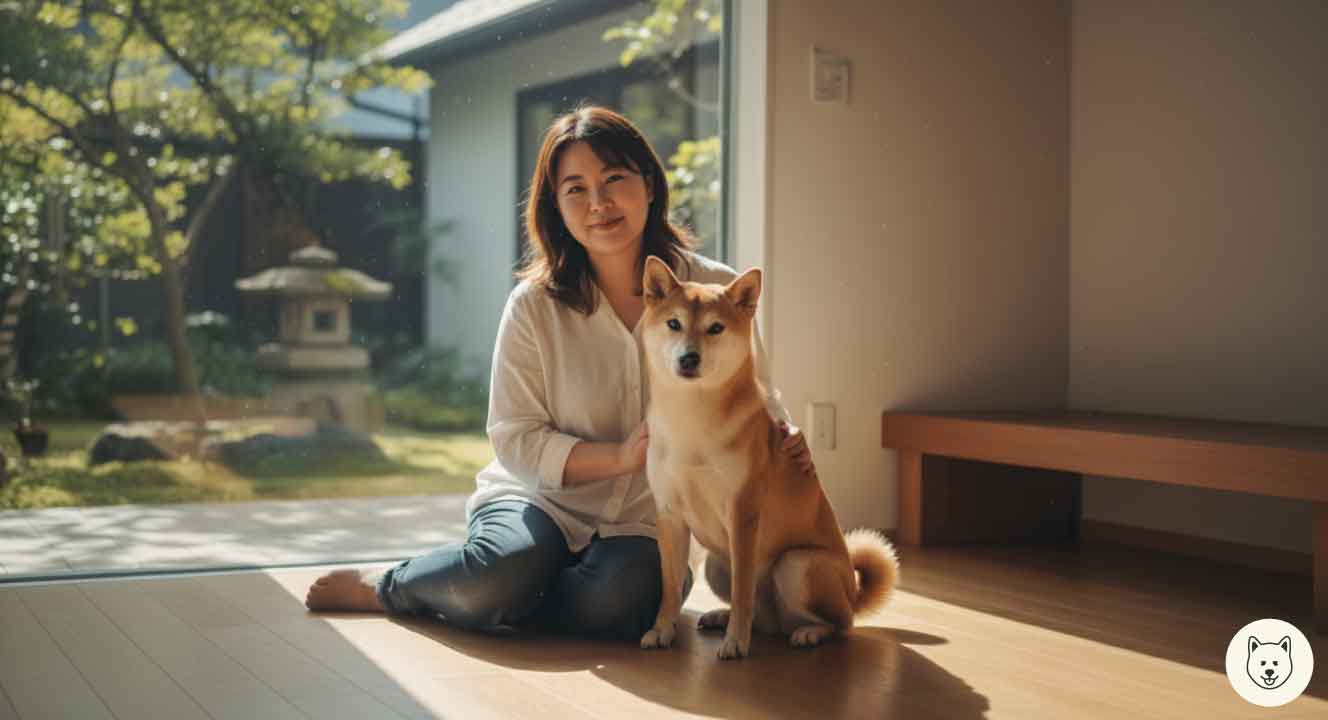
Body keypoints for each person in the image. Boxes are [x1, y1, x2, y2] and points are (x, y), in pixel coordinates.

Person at [305, 106, 815, 641]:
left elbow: (753, 388)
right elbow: (513, 436)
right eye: (576, 188)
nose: (599, 203)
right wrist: (619, 458)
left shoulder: (715, 287)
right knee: (502, 568)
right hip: (539, 499)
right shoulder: (533, 305)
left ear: (648, 183)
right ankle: (394, 585)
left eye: (614, 179)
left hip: (646, 516)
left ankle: (496, 596)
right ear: (556, 206)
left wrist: (783, 431)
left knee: (620, 606)